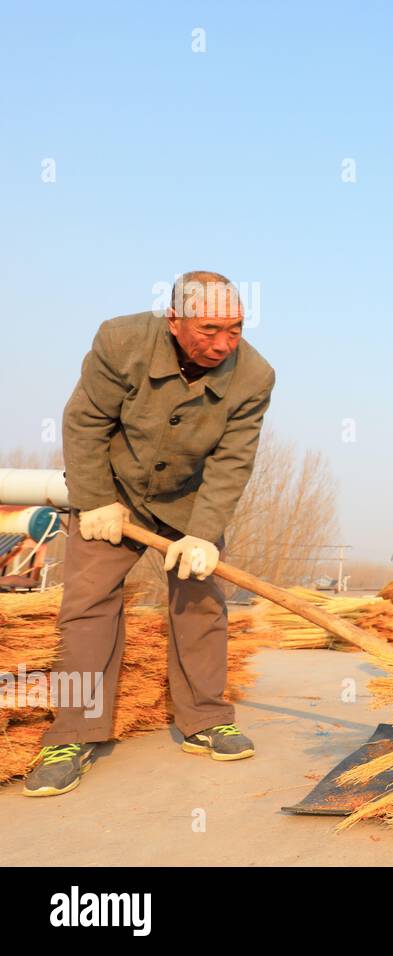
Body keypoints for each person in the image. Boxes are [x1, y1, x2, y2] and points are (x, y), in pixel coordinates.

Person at [24, 272, 274, 797]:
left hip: (189, 500)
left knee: (201, 601)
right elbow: (86, 423)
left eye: (235, 329)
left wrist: (203, 534)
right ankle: (73, 734)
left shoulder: (254, 375)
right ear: (174, 319)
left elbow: (232, 460)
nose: (224, 344)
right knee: (88, 604)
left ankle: (206, 720)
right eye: (209, 329)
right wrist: (95, 501)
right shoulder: (120, 341)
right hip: (112, 491)